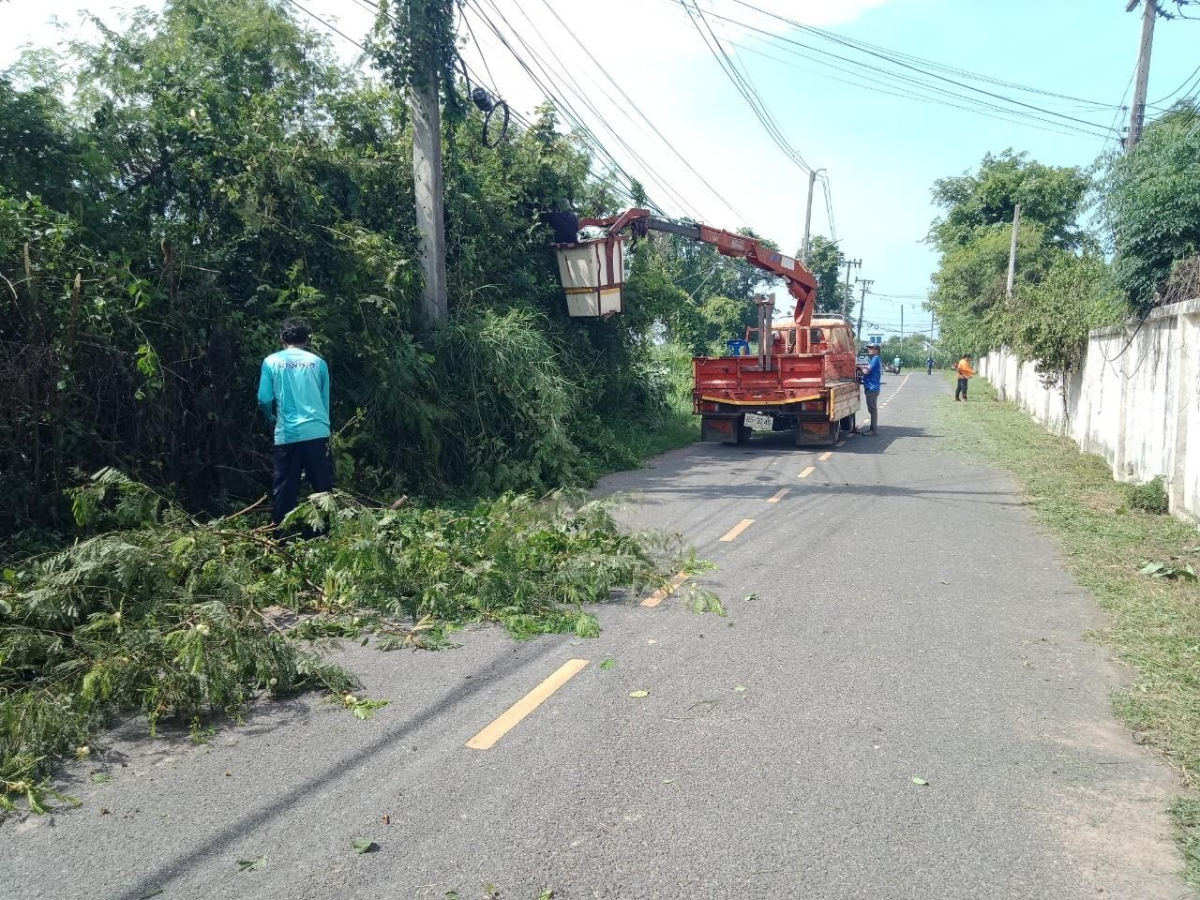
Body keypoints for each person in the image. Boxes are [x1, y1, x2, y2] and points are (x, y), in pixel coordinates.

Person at [257, 317, 333, 526]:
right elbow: (324, 401)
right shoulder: (319, 363)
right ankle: (323, 534)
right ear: (307, 340)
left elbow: (264, 399)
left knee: (284, 488)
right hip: (317, 431)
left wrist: (270, 418)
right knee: (322, 487)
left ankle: (282, 534)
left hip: (287, 434)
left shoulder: (271, 362)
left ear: (282, 337)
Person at [858, 344, 882, 435]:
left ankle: (873, 430)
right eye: (869, 348)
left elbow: (866, 371)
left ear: (877, 350)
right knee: (872, 410)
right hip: (871, 387)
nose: (869, 350)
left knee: (872, 410)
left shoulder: (875, 359)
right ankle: (873, 429)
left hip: (872, 388)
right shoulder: (874, 359)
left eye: (871, 348)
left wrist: (859, 367)